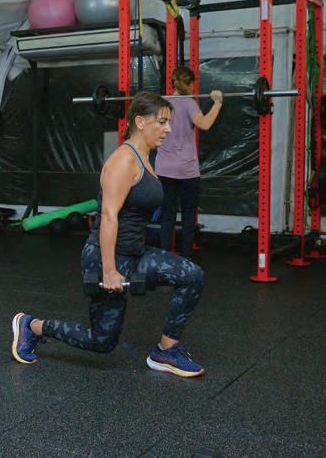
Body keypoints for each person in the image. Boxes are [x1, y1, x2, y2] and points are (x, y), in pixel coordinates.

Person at [11, 93, 207, 377]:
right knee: (101, 341)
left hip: (135, 254)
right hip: (106, 257)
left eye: (169, 122)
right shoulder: (124, 160)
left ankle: (165, 351)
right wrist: (109, 270)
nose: (168, 129)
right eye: (162, 122)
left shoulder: (147, 158)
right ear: (140, 122)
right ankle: (31, 325)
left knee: (192, 275)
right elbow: (108, 215)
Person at [155, 66, 223, 259]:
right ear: (190, 83)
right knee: (187, 217)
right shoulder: (189, 104)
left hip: (164, 170)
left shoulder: (161, 104)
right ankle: (185, 260)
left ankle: (165, 258)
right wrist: (217, 103)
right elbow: (205, 124)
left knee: (167, 216)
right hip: (186, 171)